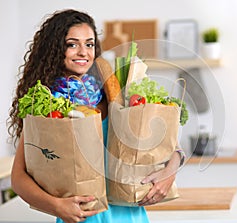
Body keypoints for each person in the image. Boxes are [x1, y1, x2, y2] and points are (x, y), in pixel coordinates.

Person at [7, 9, 183, 223]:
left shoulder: (116, 96)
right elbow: (18, 177)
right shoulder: (48, 107)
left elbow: (168, 146)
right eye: (72, 44)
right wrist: (57, 206)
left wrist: (169, 171)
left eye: (89, 44)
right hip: (81, 219)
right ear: (54, 49)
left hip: (131, 217)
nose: (83, 52)